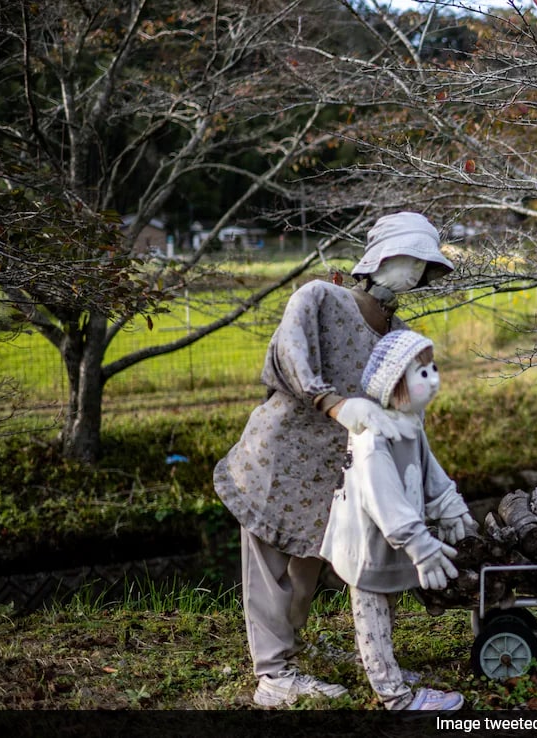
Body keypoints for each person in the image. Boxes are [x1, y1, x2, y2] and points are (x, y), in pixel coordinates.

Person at [213, 212, 454, 707]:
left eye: (423, 264)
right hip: (279, 456)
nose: (414, 272)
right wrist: (332, 402)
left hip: (334, 474)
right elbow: (291, 355)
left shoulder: (400, 333)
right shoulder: (321, 298)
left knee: (306, 571)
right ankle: (274, 676)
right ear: (380, 257)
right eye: (408, 258)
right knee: (269, 571)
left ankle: (293, 651)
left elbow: (404, 408)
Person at [320, 329, 474, 711]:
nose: (434, 379)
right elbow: (383, 499)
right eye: (421, 373)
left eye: (433, 369)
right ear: (395, 383)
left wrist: (448, 505)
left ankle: (381, 667)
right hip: (368, 543)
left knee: (386, 608)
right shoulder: (374, 438)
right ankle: (395, 697)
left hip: (388, 542)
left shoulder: (409, 426)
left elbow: (428, 471)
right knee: (372, 612)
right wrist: (420, 546)